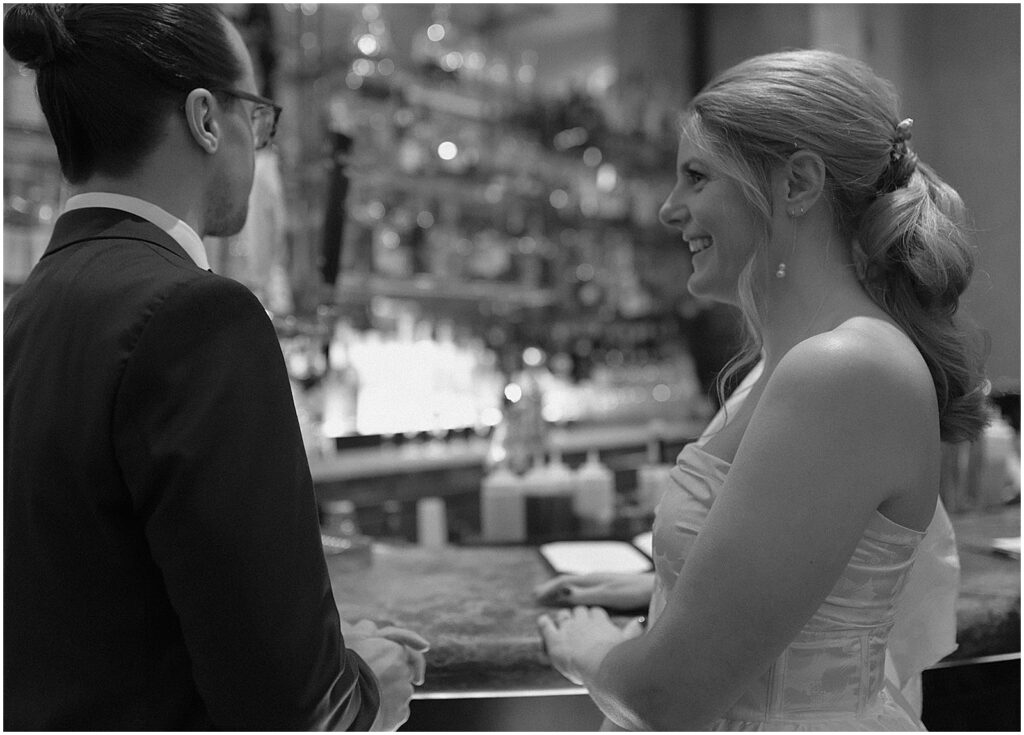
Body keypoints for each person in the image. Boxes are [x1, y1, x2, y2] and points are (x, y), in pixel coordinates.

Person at [536, 49, 988, 731]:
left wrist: (589, 649)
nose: (669, 209)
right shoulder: (788, 365)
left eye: (696, 177)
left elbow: (668, 698)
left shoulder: (844, 368)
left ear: (797, 184)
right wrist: (679, 590)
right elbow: (825, 566)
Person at [3, 5, 426, 730]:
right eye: (256, 116)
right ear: (205, 117)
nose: (257, 146)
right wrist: (361, 691)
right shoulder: (197, 315)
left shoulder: (23, 313)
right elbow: (286, 706)